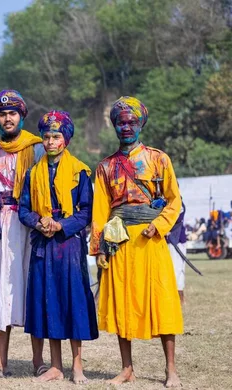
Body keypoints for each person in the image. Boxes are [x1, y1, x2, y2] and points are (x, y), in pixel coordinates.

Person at [90, 96, 183, 387]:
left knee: (162, 301)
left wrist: (157, 226)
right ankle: (127, 368)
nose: (126, 127)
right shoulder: (105, 167)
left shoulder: (159, 159)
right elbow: (100, 211)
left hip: (151, 242)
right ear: (114, 125)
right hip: (120, 243)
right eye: (120, 122)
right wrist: (99, 248)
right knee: (122, 304)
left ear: (141, 123)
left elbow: (173, 201)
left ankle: (171, 370)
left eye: (131, 122)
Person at [19, 110, 98, 384]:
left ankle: (77, 366)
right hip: (43, 243)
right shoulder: (33, 172)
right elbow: (23, 209)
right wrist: (40, 221)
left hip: (69, 246)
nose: (51, 142)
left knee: (73, 301)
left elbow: (87, 212)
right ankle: (55, 366)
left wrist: (61, 225)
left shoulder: (80, 171)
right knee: (47, 299)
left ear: (66, 140)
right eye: (47, 136)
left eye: (56, 136)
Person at [0, 90, 46, 378]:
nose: (8, 118)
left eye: (12, 113)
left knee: (33, 287)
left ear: (22, 116)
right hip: (0, 228)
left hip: (29, 224)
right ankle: (0, 361)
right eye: (2, 114)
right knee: (0, 290)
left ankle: (38, 361)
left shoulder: (39, 148)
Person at [167, 200, 187, 305]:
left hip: (176, 240)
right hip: (168, 241)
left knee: (177, 270)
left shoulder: (177, 202)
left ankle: (179, 299)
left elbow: (176, 218)